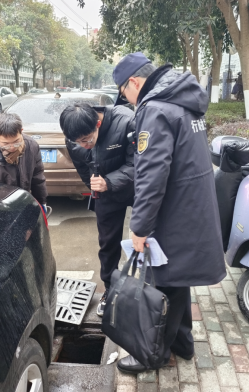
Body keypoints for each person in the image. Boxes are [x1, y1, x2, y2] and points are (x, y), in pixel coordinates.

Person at [112, 52, 226, 374]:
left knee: (160, 281)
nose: (127, 100)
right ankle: (183, 343)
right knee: (177, 277)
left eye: (124, 93)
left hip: (174, 210)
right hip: (192, 205)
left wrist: (139, 227)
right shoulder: (181, 100)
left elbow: (151, 175)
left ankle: (154, 355)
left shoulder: (155, 109)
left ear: (133, 82)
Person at [59, 103, 135, 316]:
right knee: (108, 244)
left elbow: (138, 163)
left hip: (136, 189)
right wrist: (97, 186)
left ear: (98, 124)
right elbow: (83, 169)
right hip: (106, 192)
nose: (83, 145)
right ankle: (110, 289)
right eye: (77, 142)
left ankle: (149, 289)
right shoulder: (74, 138)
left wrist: (109, 181)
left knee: (144, 239)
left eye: (87, 139)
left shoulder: (126, 121)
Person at [0, 112, 47, 209]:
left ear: (21, 131)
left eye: (16, 142)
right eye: (5, 144)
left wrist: (41, 202)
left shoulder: (32, 146)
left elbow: (38, 178)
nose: (12, 147)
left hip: (24, 201)